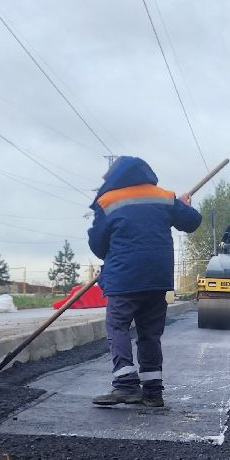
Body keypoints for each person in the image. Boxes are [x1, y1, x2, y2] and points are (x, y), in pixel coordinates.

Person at [87, 156, 202, 409]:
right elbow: (192, 222)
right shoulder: (164, 197)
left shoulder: (108, 201)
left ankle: (126, 386)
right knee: (150, 333)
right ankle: (152, 392)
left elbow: (97, 244)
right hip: (157, 278)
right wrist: (184, 205)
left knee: (117, 325)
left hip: (124, 277)